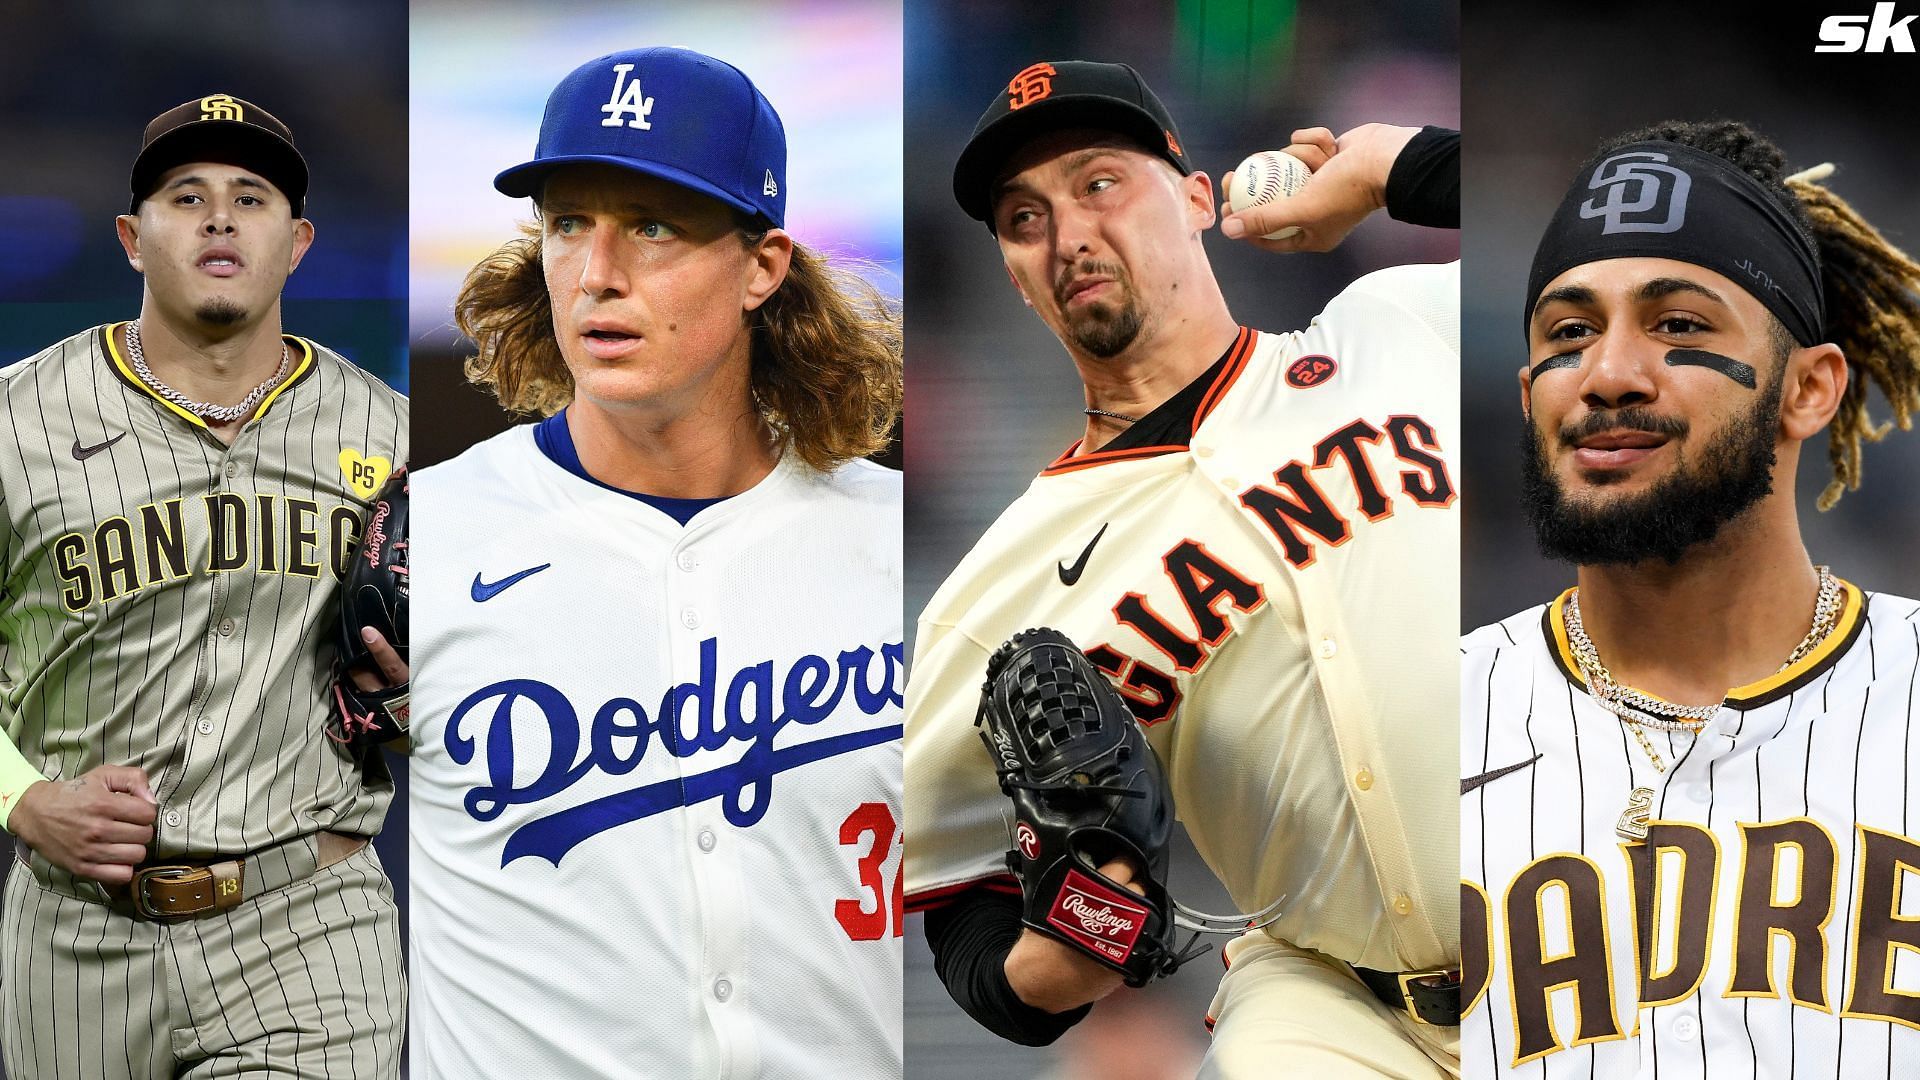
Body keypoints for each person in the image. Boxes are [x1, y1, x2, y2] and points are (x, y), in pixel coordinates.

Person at [904, 59, 1463, 1078]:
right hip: (1338, 1017)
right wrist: (1059, 956)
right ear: (1012, 274)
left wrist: (1398, 168)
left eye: (1099, 183)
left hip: (1578, 928)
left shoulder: (1396, 331)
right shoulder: (990, 600)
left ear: (1200, 197)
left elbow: (1671, 242)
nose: (1067, 233)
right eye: (1023, 218)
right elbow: (958, 914)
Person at [405, 47, 905, 1078]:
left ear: (763, 267)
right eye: (568, 222)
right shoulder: (424, 538)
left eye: (654, 225)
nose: (597, 273)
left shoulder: (890, 540)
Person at [1461, 120, 1920, 1075]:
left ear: (1809, 389)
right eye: (1569, 332)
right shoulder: (1426, 715)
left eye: (1679, 325)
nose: (1609, 375)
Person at [0, 94, 408, 1077]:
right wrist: (22, 801)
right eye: (187, 196)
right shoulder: (15, 422)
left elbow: (479, 693)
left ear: (298, 241)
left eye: (251, 196)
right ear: (133, 239)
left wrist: (419, 703)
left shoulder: (392, 434)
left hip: (308, 922)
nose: (220, 216)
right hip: (74, 939)